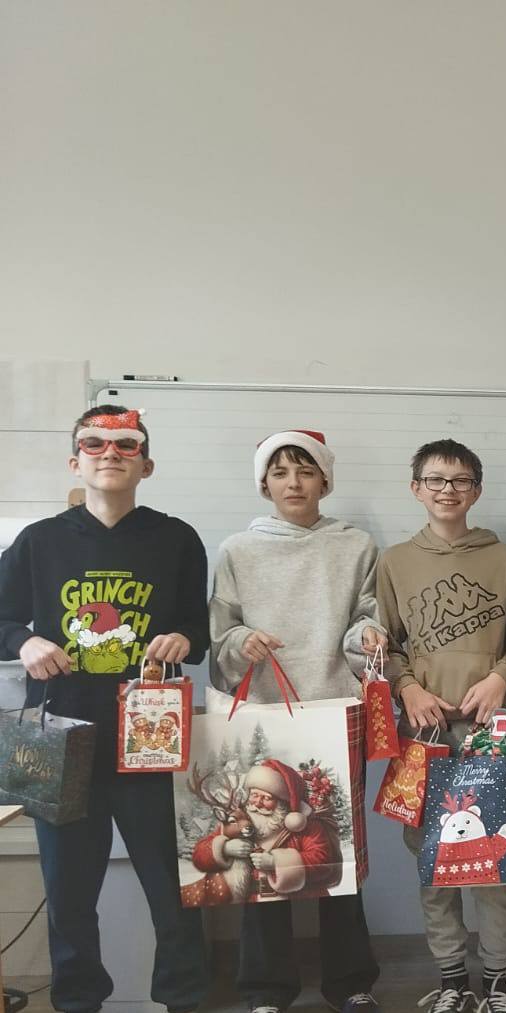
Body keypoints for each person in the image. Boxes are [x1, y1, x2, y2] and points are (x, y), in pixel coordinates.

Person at [0, 406, 210, 1013]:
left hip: (150, 735)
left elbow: (199, 630)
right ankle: (77, 1002)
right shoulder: (39, 541)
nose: (109, 453)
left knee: (173, 890)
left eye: (125, 445)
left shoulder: (177, 538)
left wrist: (183, 639)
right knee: (68, 896)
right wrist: (24, 642)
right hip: (60, 738)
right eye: (93, 444)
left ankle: (184, 999)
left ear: (147, 465)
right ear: (75, 462)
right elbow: (1, 620)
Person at [206, 429, 387, 1013]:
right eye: (280, 472)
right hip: (261, 717)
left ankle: (351, 983)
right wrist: (242, 641)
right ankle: (265, 989)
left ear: (325, 480)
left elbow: (366, 616)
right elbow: (220, 633)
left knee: (335, 850)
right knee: (262, 846)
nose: (293, 483)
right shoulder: (238, 549)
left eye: (306, 471)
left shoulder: (356, 546)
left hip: (335, 712)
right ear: (264, 483)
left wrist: (368, 636)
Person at [376, 439, 506, 1013]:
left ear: (477, 490)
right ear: (416, 488)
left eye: (461, 480)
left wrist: (500, 677)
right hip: (424, 737)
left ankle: (497, 978)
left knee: (495, 862)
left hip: (493, 736)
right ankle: (451, 977)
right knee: (432, 862)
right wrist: (408, 687)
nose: (448, 490)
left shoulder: (501, 558)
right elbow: (385, 645)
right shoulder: (394, 561)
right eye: (436, 480)